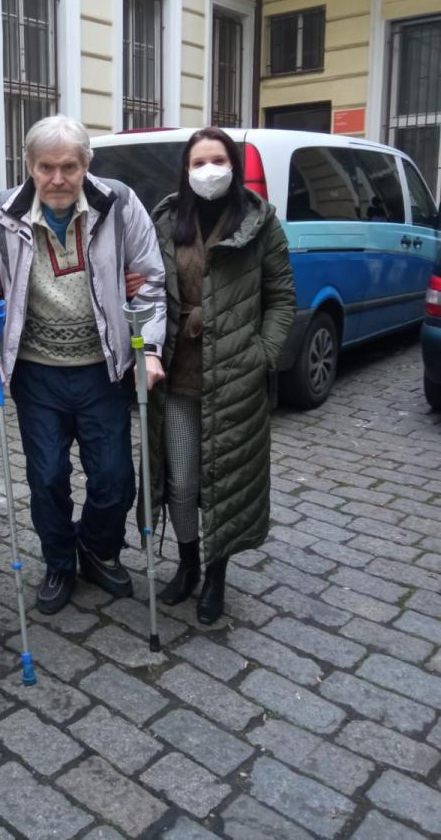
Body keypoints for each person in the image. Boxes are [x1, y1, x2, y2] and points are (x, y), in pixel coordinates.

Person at [0, 115, 166, 615]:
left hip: (103, 368)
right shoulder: (3, 213)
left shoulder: (118, 204)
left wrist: (150, 348)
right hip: (37, 372)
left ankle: (94, 548)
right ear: (29, 166)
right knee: (47, 477)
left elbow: (151, 282)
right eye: (45, 167)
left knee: (114, 479)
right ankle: (58, 562)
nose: (57, 179)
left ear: (86, 164)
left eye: (69, 167)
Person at [135, 127, 295, 625]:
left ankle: (216, 576)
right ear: (185, 170)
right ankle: (187, 564)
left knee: (225, 484)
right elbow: (146, 287)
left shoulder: (260, 223)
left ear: (234, 166)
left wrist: (262, 355)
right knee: (182, 482)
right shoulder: (165, 221)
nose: (209, 170)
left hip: (234, 381)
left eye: (218, 160)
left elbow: (282, 298)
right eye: (199, 162)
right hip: (177, 380)